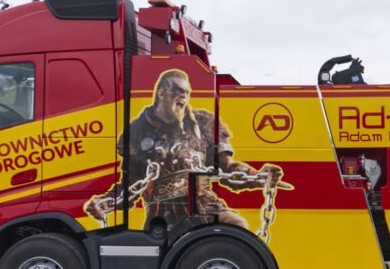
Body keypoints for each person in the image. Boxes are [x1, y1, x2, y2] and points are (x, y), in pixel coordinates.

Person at [84, 69, 282, 232]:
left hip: (205, 205)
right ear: (161, 93)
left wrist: (257, 176)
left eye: (187, 93)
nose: (184, 97)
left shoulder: (203, 122)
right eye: (178, 91)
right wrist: (105, 203)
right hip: (161, 217)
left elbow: (227, 168)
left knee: (237, 226)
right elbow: (131, 184)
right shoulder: (136, 131)